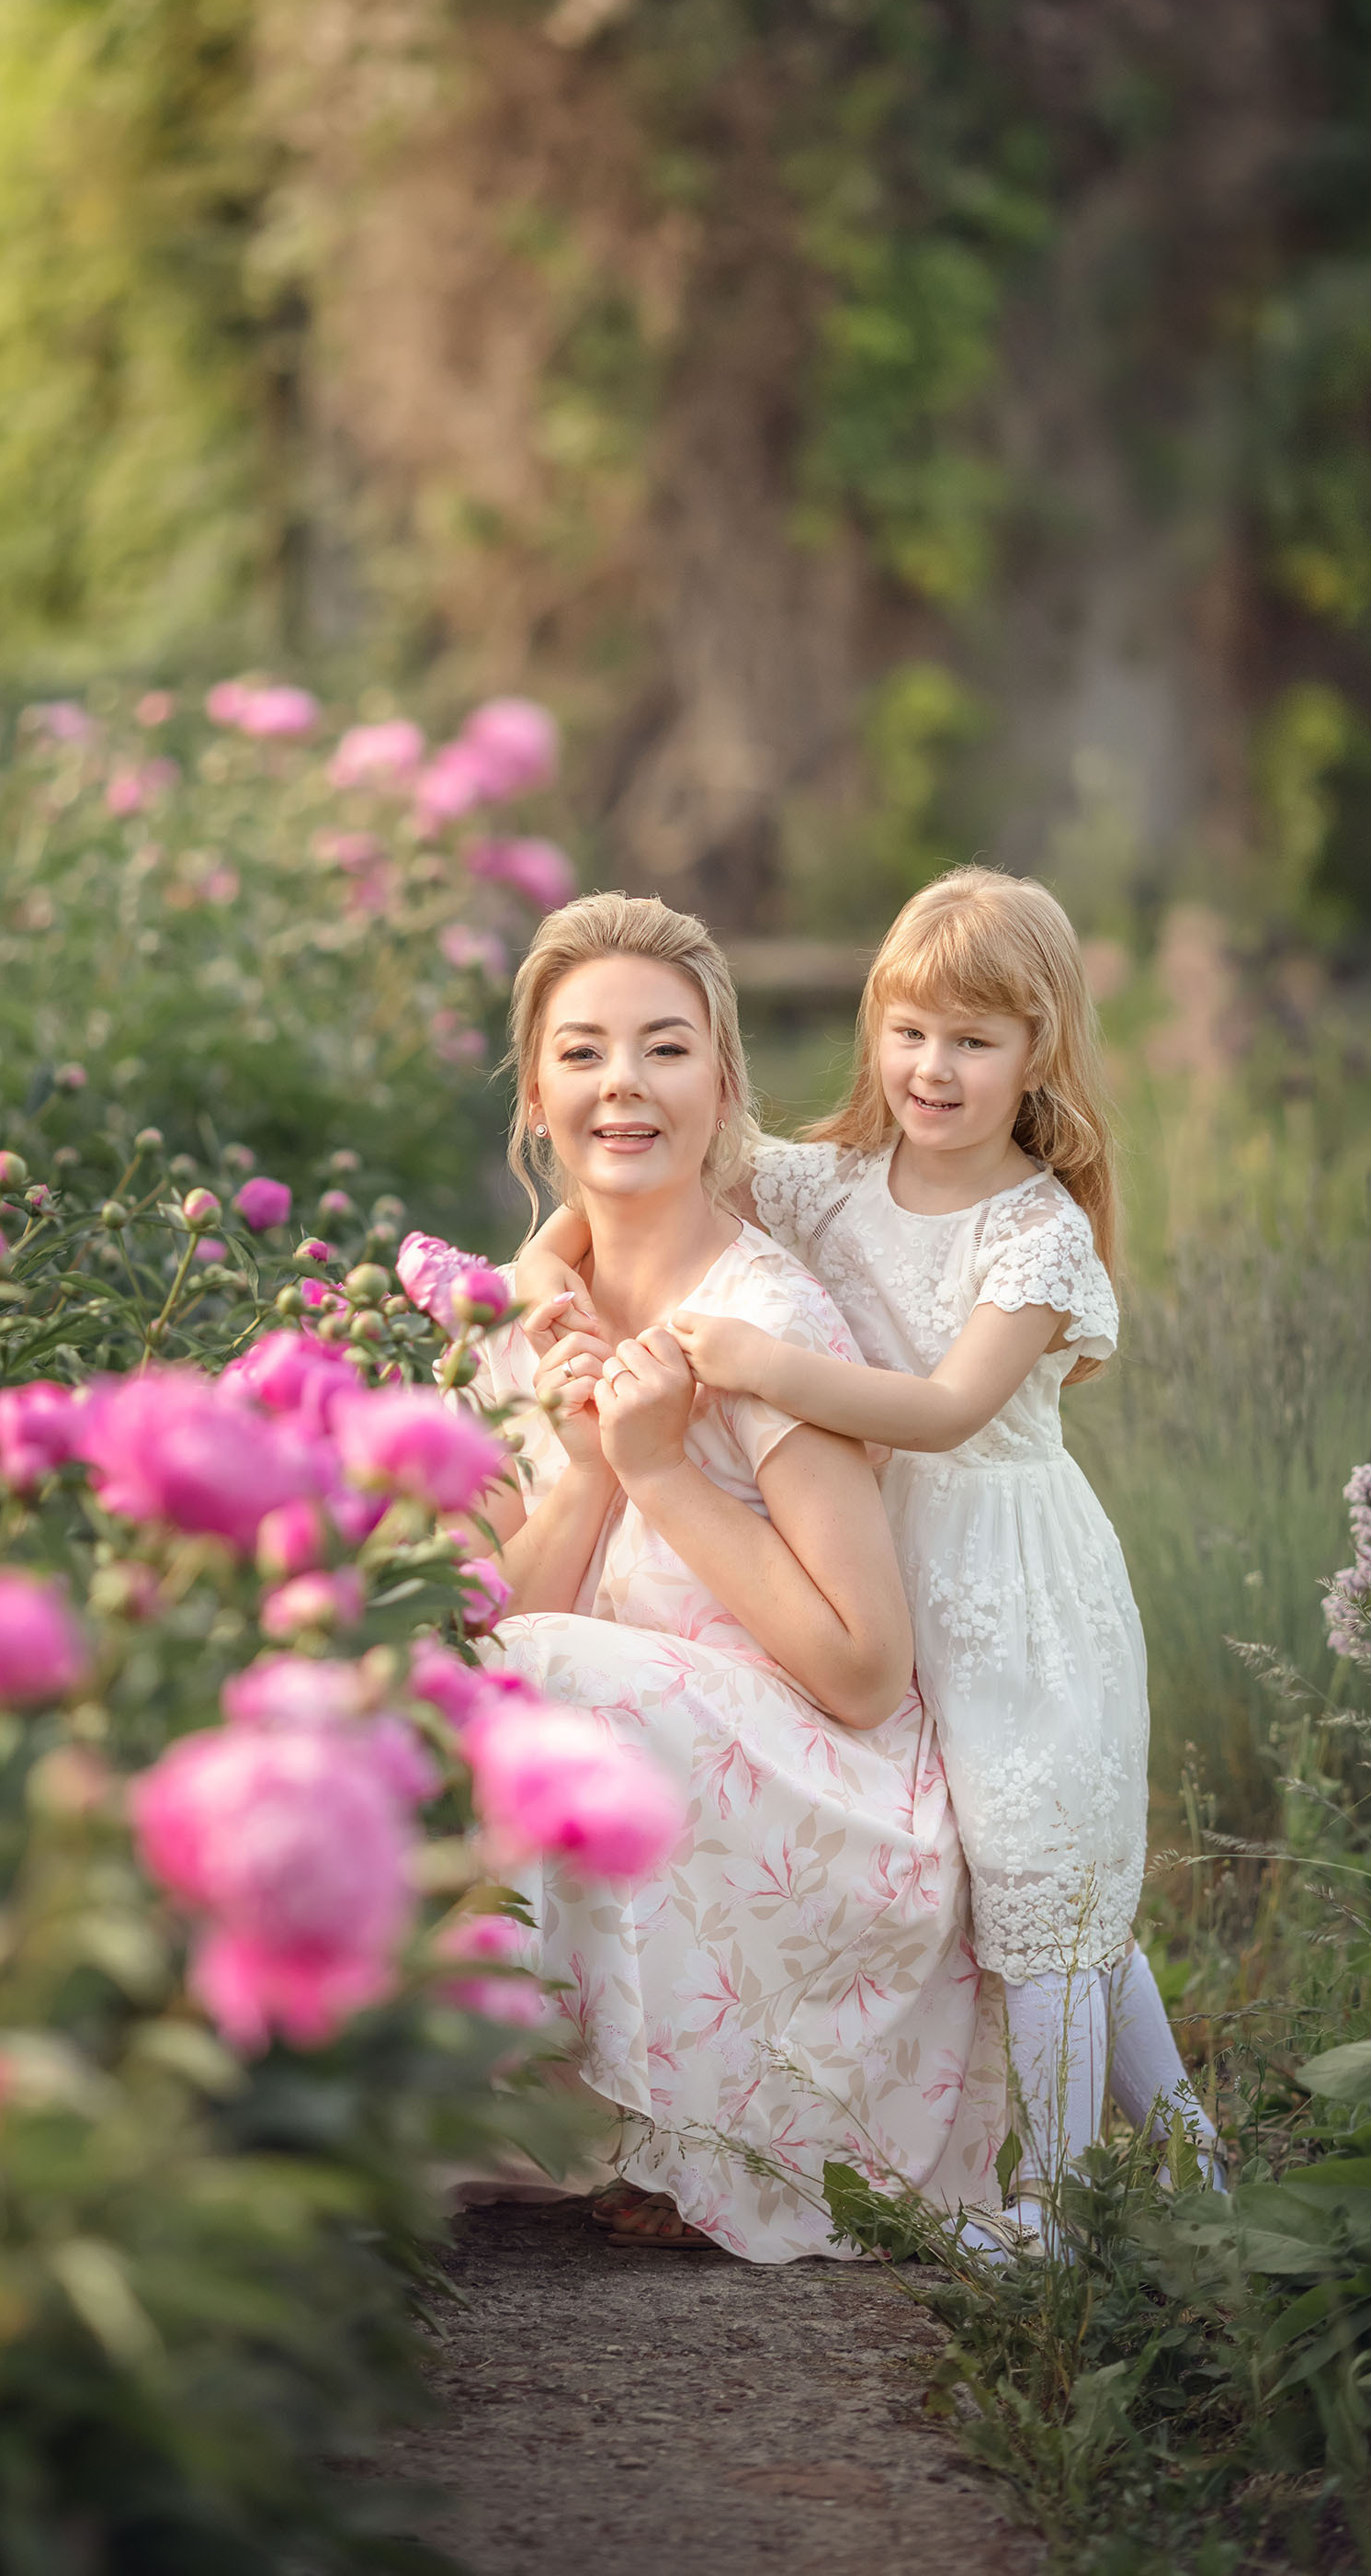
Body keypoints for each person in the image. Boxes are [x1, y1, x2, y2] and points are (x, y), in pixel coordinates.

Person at [517, 867, 1220, 2249]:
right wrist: (543, 1288)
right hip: (883, 1553)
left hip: (1004, 1579)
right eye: (908, 1032)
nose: (933, 1069)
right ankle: (1195, 2169)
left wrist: (768, 1368)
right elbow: (607, 1187)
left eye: (972, 1040)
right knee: (1031, 1894)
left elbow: (953, 1412)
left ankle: (1057, 2211)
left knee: (1047, 1884)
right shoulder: (830, 1179)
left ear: (1040, 1055)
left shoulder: (1035, 1230)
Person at [470, 889, 1007, 2263]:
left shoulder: (764, 1321)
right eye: (583, 1051)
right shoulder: (529, 1315)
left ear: (722, 1081)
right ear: (535, 1092)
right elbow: (502, 1630)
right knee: (455, 1677)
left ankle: (700, 2127)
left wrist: (662, 1475)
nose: (624, 1086)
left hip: (821, 1812)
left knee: (536, 1678)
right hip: (658, 1781)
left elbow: (862, 1670)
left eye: (664, 1046)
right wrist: (593, 1463)